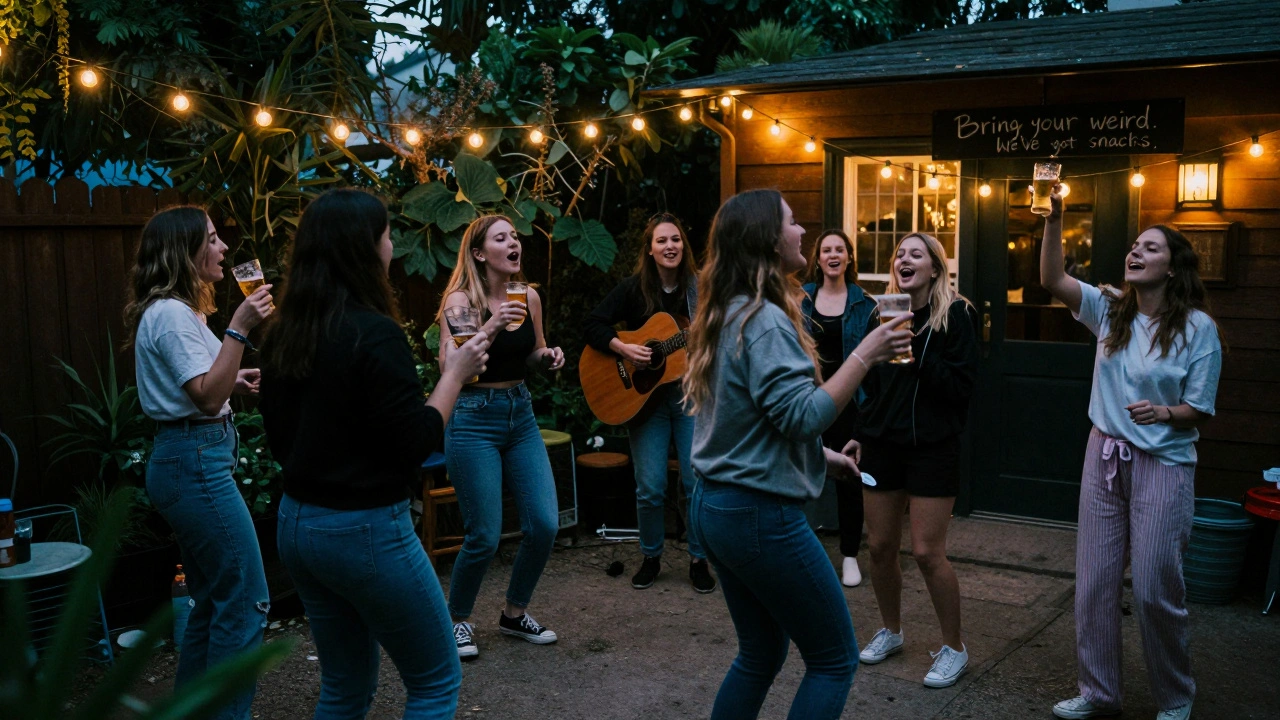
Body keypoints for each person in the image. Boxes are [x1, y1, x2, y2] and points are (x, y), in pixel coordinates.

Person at [258, 189, 488, 719]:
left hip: (298, 525)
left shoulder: (284, 333)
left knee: (344, 688)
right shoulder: (373, 333)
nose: (392, 245)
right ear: (363, 248)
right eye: (387, 234)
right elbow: (412, 443)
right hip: (363, 530)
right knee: (435, 681)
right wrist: (454, 374)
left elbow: (280, 438)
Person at [685, 189, 913, 720]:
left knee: (761, 653)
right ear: (768, 239)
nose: (803, 232)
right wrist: (865, 353)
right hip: (759, 515)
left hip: (717, 505)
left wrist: (816, 457)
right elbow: (803, 414)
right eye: (792, 222)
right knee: (833, 659)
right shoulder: (762, 320)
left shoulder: (730, 312)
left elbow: (748, 418)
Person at [1041, 190, 1222, 720]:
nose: (1136, 253)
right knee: (1095, 583)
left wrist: (1164, 413)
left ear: (1173, 268)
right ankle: (1099, 694)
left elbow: (1201, 408)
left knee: (1152, 587)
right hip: (1103, 457)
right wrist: (1054, 221)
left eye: (1151, 248)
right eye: (1134, 246)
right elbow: (1053, 280)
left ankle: (1174, 696)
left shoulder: (1198, 329)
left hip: (1164, 464)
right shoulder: (1109, 310)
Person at [126, 206, 273, 720]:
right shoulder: (169, 315)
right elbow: (206, 400)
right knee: (248, 599)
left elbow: (202, 385)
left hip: (193, 457)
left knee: (212, 602)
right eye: (212, 239)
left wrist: (235, 377)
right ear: (184, 251)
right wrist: (239, 327)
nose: (224, 248)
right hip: (195, 462)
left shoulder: (180, 313)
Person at [852, 232, 978, 689]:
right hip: (883, 443)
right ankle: (891, 630)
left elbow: (962, 388)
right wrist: (860, 435)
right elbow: (869, 384)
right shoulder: (878, 315)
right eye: (900, 253)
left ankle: (954, 647)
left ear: (935, 268)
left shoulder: (957, 314)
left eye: (916, 254)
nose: (905, 258)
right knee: (881, 547)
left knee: (926, 552)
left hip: (933, 446)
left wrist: (915, 352)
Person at [437, 214, 566, 660]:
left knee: (545, 523)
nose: (514, 242)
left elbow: (531, 352)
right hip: (473, 419)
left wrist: (547, 357)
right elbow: (453, 370)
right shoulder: (460, 300)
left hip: (520, 414)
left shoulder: (527, 295)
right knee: (485, 535)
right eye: (502, 237)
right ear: (479, 253)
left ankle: (514, 613)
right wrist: (493, 324)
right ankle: (457, 620)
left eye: (515, 235)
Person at [583, 212, 715, 593]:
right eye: (662, 241)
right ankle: (651, 555)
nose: (670, 246)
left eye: (675, 239)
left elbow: (718, 333)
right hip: (644, 401)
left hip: (690, 396)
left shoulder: (700, 289)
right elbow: (593, 324)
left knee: (695, 482)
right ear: (650, 249)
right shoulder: (634, 289)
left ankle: (698, 558)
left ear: (683, 247)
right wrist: (624, 347)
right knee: (650, 486)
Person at [800, 229, 876, 587]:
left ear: (849, 258)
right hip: (807, 397)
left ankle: (849, 555)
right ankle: (804, 550)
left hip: (847, 402)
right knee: (803, 470)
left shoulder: (865, 303)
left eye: (839, 250)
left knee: (848, 476)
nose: (833, 255)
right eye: (826, 250)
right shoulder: (799, 299)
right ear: (818, 260)